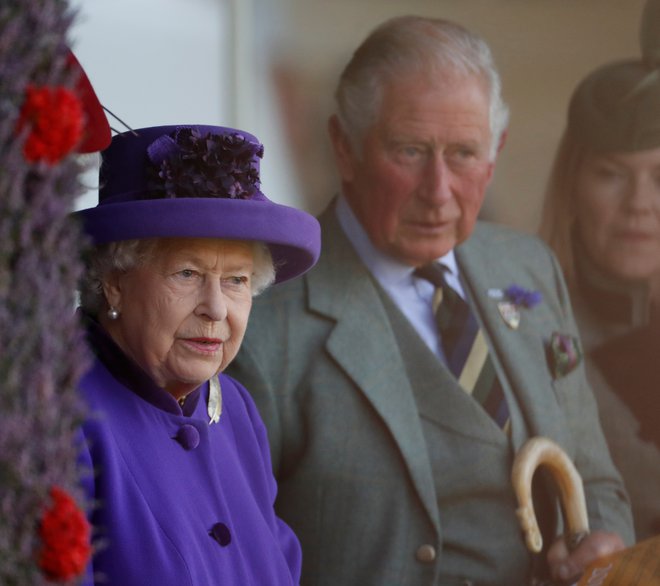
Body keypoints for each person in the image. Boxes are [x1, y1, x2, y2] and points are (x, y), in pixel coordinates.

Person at [226, 15, 634, 586]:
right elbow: (235, 551)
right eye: (410, 150)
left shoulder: (527, 266)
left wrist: (600, 547)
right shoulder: (265, 320)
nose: (439, 191)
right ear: (345, 147)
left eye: (464, 154)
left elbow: (594, 477)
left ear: (496, 155)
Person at [74, 124, 320, 585]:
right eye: (187, 273)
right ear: (114, 280)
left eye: (237, 280)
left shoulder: (237, 410)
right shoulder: (55, 413)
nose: (216, 308)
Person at [539, 0, 660, 541]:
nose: (640, 203)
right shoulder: (525, 322)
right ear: (573, 186)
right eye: (612, 175)